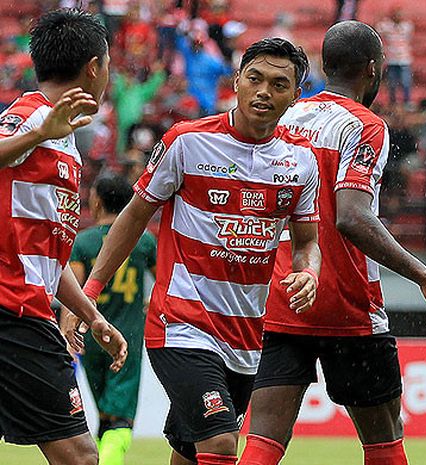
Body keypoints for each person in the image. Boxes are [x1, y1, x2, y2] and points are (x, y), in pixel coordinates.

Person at [73, 38, 321, 465]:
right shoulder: (187, 142)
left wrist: (308, 271)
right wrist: (91, 290)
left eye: (280, 84)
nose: (264, 91)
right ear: (237, 82)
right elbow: (132, 217)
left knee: (189, 452)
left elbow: (307, 242)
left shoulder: (301, 163)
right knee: (222, 443)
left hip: (246, 335)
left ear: (296, 96)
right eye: (255, 78)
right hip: (182, 325)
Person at [238, 21, 426, 465]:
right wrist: (424, 275)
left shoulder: (285, 117)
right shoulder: (365, 125)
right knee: (384, 441)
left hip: (283, 296)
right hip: (346, 302)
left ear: (324, 66)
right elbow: (352, 218)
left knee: (263, 442)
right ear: (373, 70)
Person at [0, 9, 127, 465]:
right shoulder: (31, 117)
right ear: (94, 66)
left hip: (21, 302)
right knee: (80, 456)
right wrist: (37, 133)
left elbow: (46, 262)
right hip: (13, 313)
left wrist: (92, 316)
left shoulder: (62, 137)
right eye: (108, 63)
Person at [61, 174, 157, 465]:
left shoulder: (83, 243)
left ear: (97, 201)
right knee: (121, 419)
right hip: (126, 335)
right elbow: (163, 279)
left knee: (104, 414)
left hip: (89, 335)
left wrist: (69, 325)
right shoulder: (143, 242)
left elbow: (73, 291)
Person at [376, 8, 414, 106]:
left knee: (406, 83)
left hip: (404, 59)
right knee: (392, 83)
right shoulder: (387, 26)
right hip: (392, 60)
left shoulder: (406, 26)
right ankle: (393, 102)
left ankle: (407, 102)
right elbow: (378, 29)